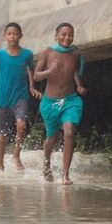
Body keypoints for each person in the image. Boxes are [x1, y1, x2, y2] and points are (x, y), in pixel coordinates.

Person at [34, 23, 88, 185]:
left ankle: (65, 175)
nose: (67, 38)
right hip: (50, 102)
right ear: (56, 36)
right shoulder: (48, 52)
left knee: (69, 132)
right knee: (52, 137)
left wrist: (79, 84)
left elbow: (74, 72)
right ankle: (46, 165)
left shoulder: (76, 53)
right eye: (63, 34)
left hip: (70, 100)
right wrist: (49, 71)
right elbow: (36, 76)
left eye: (70, 35)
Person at [0, 22, 40, 171]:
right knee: (3, 134)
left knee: (21, 124)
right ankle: (0, 164)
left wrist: (31, 86)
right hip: (3, 99)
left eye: (16, 34)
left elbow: (30, 70)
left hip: (20, 97)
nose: (13, 36)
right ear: (5, 36)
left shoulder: (27, 54)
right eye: (9, 34)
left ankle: (16, 155)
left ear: (21, 36)